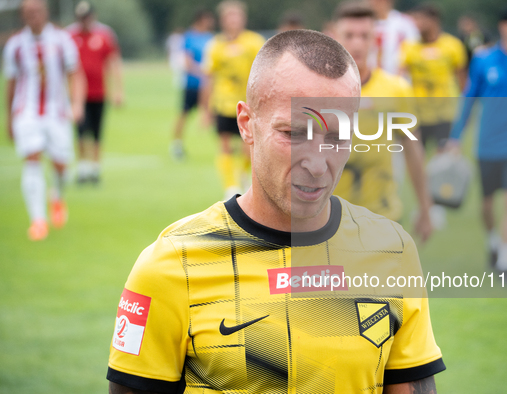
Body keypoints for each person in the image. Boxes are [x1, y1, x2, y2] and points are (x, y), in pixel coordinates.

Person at [107, 29, 445, 393]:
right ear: (246, 125)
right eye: (294, 133)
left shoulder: (393, 251)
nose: (317, 164)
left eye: (336, 137)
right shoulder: (171, 265)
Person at [447, 5, 507, 276]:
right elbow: (469, 100)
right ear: (505, 26)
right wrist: (455, 138)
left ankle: (506, 263)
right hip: (487, 145)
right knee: (487, 205)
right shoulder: (483, 60)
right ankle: (493, 242)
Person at [332, 2, 433, 242]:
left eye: (364, 35)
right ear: (335, 37)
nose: (357, 43)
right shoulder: (316, 92)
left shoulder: (396, 89)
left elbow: (413, 150)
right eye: (349, 35)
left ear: (374, 39)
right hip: (330, 222)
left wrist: (425, 208)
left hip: (384, 218)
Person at [3, 0, 85, 240]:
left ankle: (57, 197)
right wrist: (9, 117)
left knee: (61, 165)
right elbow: (11, 83)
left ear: (45, 13)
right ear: (23, 15)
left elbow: (74, 73)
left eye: (36, 12)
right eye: (28, 13)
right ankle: (38, 221)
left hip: (56, 112)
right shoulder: (15, 45)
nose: (33, 16)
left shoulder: (62, 41)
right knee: (32, 158)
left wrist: (77, 104)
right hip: (26, 112)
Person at [201, 0, 265, 199]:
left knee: (249, 148)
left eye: (237, 16)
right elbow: (209, 77)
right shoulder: (215, 45)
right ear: (223, 20)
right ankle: (230, 187)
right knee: (225, 146)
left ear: (243, 18)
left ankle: (243, 176)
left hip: (248, 104)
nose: (233, 20)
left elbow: (264, 73)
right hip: (223, 104)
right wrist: (206, 109)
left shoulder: (254, 42)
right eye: (230, 16)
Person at [68, 1, 123, 183]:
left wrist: (118, 90)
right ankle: (83, 168)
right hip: (77, 95)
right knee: (81, 132)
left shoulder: (104, 35)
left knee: (97, 132)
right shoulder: (69, 35)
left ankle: (95, 168)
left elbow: (114, 62)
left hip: (99, 92)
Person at [400, 2, 467, 151]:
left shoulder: (452, 45)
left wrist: (463, 108)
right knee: (417, 157)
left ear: (434, 20)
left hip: (445, 114)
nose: (417, 24)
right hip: (418, 114)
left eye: (421, 20)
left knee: (443, 160)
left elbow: (462, 80)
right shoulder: (409, 47)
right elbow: (400, 78)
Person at [170, 10, 214, 160]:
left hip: (208, 86)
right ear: (201, 20)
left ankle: (225, 147)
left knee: (214, 113)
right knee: (184, 114)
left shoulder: (210, 38)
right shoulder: (189, 37)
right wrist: (203, 72)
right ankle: (176, 145)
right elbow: (187, 62)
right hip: (192, 84)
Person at [368, 0, 419, 75]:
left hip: (398, 79)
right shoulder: (364, 24)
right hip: (370, 80)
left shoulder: (404, 23)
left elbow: (415, 50)